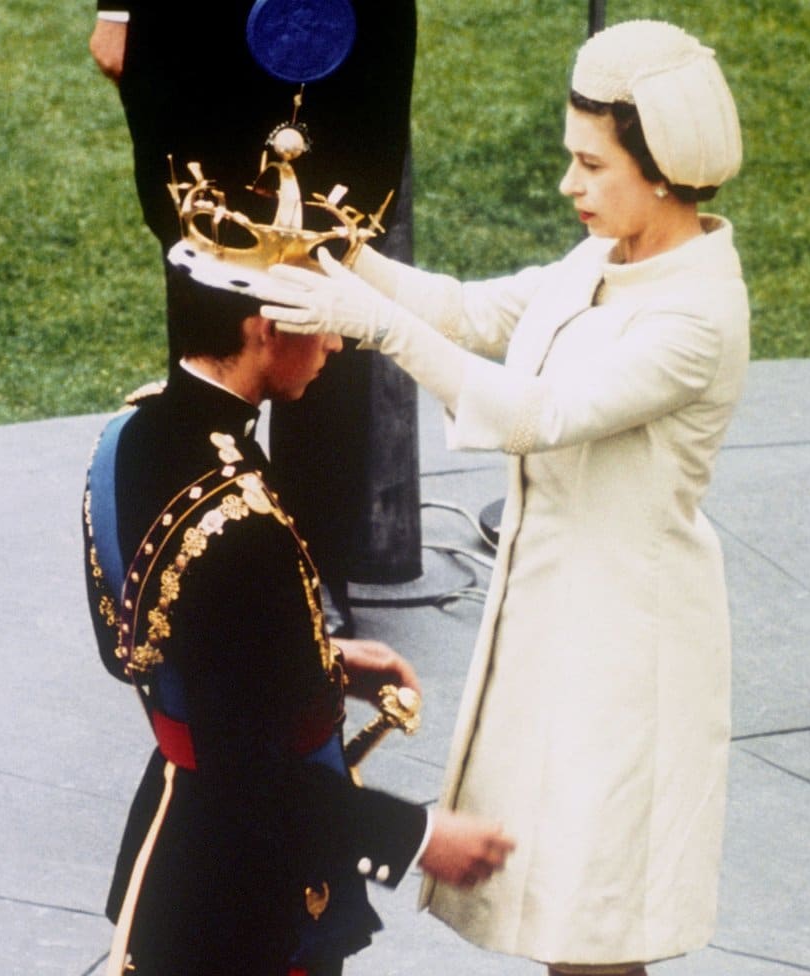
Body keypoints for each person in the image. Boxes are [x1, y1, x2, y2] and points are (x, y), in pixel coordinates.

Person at [256, 19, 750, 975]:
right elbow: (470, 310)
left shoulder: (698, 315)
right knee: (561, 912)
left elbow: (538, 414)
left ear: (661, 172)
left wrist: (372, 323)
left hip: (630, 646)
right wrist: (341, 252)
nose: (569, 185)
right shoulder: (603, 258)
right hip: (555, 619)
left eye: (591, 165)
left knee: (596, 920)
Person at [82, 265, 514, 976]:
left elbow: (157, 649)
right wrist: (418, 836)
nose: (337, 344)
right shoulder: (243, 524)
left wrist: (320, 661)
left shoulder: (129, 434)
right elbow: (253, 781)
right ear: (266, 329)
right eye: (324, 322)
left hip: (174, 846)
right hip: (246, 897)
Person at [89, 0, 419, 636]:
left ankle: (314, 567)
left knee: (331, 260)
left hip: (351, 24)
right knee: (206, 263)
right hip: (199, 27)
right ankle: (192, 550)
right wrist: (118, 8)